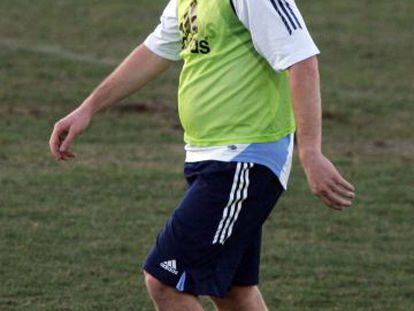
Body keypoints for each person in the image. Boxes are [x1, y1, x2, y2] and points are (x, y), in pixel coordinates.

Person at [49, 0, 356, 309]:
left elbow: (302, 60)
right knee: (234, 291)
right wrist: (88, 108)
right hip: (210, 156)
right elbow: (155, 49)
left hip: (244, 156)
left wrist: (310, 151)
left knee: (165, 280)